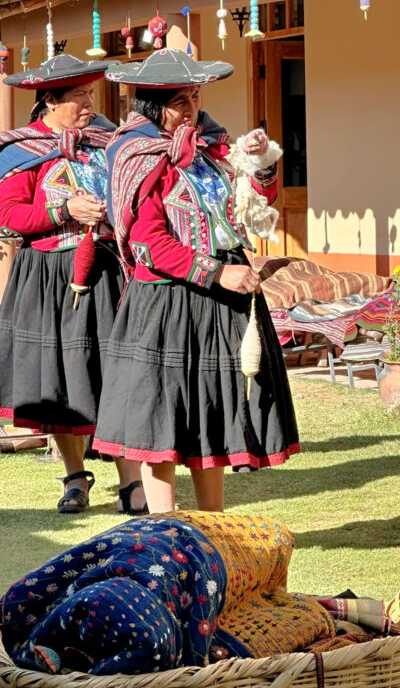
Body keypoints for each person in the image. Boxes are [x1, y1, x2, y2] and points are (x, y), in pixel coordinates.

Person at [93, 48, 300, 514]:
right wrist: (215, 271)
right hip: (166, 301)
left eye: (194, 97)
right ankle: (164, 526)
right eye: (179, 101)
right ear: (151, 107)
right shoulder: (136, 156)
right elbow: (147, 240)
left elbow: (250, 200)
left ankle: (212, 527)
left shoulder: (210, 148)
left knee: (212, 412)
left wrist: (259, 161)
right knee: (160, 422)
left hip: (219, 303)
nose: (191, 108)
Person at [0, 54, 146, 514]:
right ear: (50, 101)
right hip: (48, 277)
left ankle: (131, 482)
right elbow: (8, 214)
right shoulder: (21, 151)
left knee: (115, 372)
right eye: (79, 96)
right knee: (60, 377)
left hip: (104, 270)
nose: (89, 103)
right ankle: (75, 477)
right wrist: (64, 212)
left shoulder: (105, 142)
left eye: (89, 94)